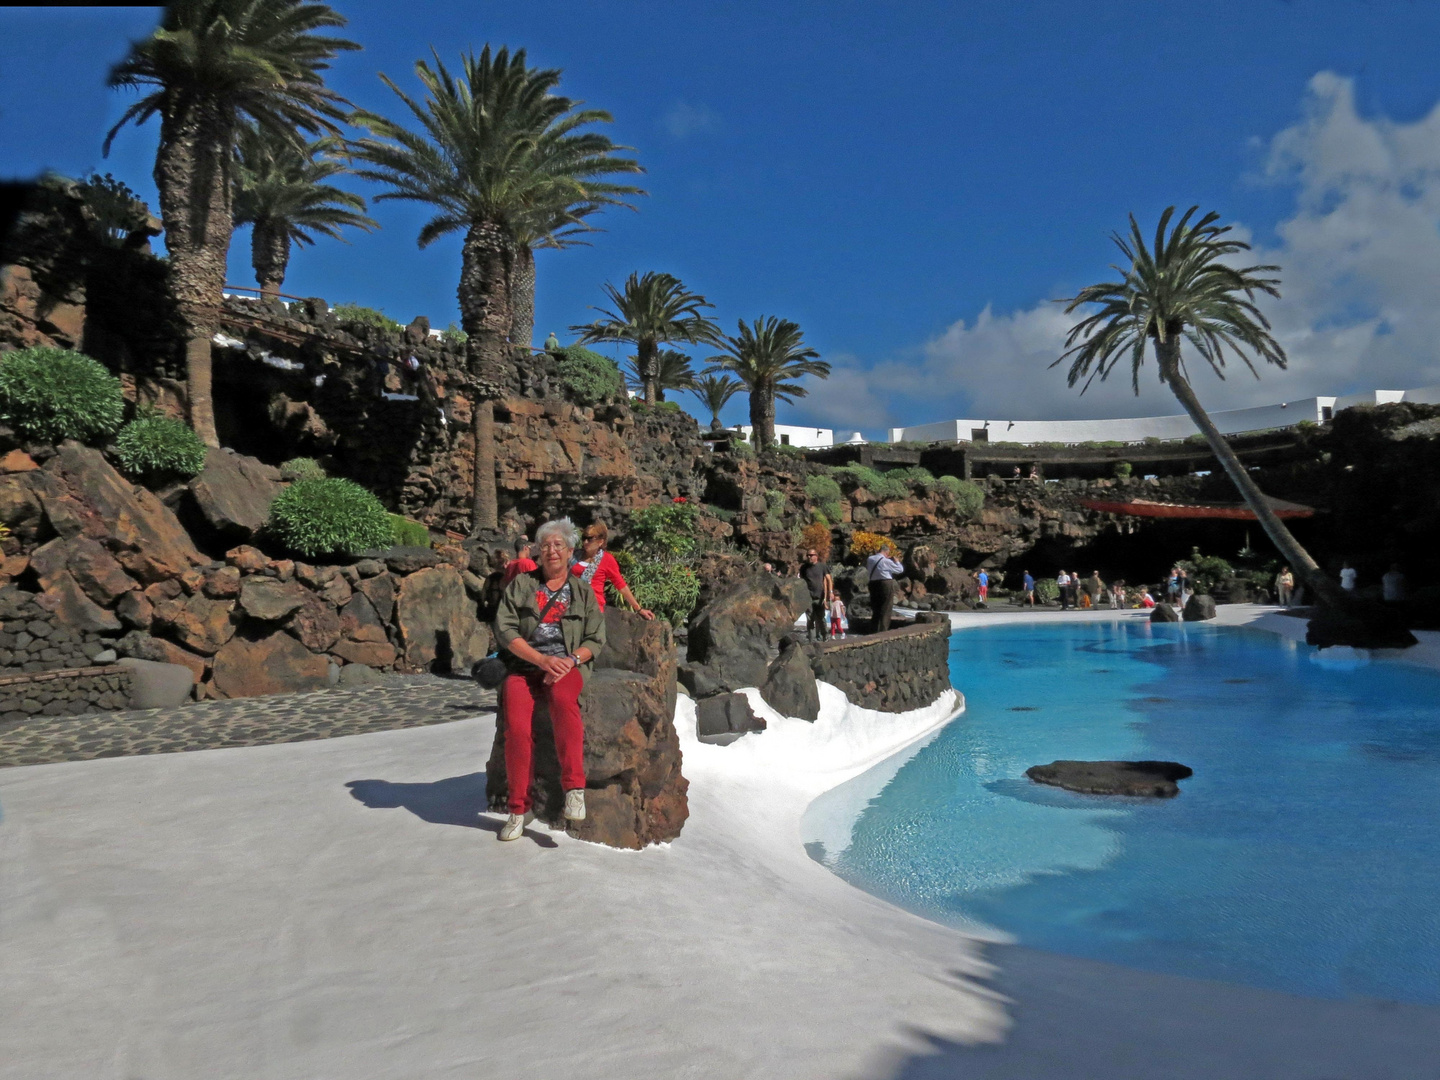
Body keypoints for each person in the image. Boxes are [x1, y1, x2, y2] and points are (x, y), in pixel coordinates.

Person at [492, 518, 606, 843]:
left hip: (567, 668)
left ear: (570, 551)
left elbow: (596, 639)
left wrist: (570, 660)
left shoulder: (582, 593)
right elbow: (505, 629)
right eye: (545, 545)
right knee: (516, 729)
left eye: (558, 545)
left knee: (562, 700)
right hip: (526, 667)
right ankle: (518, 809)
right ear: (537, 552)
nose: (551, 550)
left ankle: (574, 789)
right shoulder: (522, 585)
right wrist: (541, 660)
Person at [571, 522, 654, 619]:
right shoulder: (574, 555)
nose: (585, 542)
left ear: (600, 542)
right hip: (571, 607)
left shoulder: (607, 560)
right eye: (584, 538)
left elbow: (620, 585)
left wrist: (639, 609)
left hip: (592, 610)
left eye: (589, 539)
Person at [866, 543, 905, 632]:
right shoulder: (886, 561)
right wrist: (896, 561)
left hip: (873, 583)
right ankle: (883, 630)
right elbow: (900, 570)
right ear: (886, 552)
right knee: (886, 607)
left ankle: (873, 629)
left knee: (876, 607)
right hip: (885, 583)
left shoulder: (870, 559)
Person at [801, 547, 834, 642]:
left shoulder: (822, 566)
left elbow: (828, 579)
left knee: (821, 618)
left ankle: (824, 635)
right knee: (810, 618)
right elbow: (802, 581)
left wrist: (830, 593)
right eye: (807, 555)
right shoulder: (804, 568)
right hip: (808, 597)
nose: (809, 557)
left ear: (816, 556)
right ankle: (811, 639)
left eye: (811, 555)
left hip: (819, 596)